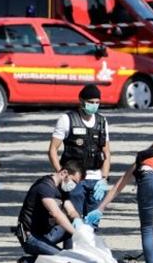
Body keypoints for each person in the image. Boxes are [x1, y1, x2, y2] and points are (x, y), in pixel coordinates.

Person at [47, 84, 111, 218]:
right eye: (90, 102)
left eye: (97, 102)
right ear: (81, 101)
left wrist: (104, 179)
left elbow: (106, 153)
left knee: (92, 223)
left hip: (96, 180)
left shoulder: (102, 121)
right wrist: (62, 175)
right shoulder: (67, 119)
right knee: (73, 220)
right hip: (74, 179)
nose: (94, 105)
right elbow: (53, 150)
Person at [15, 161, 84, 263]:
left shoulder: (62, 189)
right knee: (62, 258)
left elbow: (71, 211)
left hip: (46, 234)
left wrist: (79, 222)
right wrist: (75, 233)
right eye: (73, 181)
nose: (73, 185)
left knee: (71, 224)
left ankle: (68, 255)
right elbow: (57, 214)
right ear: (64, 172)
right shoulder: (44, 187)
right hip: (31, 237)